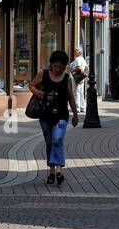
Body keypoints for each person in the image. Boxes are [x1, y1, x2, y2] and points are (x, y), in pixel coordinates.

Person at [30, 50, 79, 186]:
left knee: (57, 140)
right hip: (45, 115)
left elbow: (70, 97)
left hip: (61, 115)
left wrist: (75, 114)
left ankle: (58, 169)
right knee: (49, 143)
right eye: (56, 66)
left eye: (61, 67)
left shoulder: (66, 78)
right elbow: (31, 85)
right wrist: (38, 93)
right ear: (51, 64)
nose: (58, 69)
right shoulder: (43, 74)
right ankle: (51, 172)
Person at [68, 46, 89, 111]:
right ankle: (82, 107)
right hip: (81, 78)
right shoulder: (82, 59)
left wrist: (72, 70)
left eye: (76, 50)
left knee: (76, 92)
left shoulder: (77, 59)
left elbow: (79, 68)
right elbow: (87, 67)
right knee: (81, 92)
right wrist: (83, 72)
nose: (74, 51)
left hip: (76, 78)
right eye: (74, 50)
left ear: (79, 52)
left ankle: (77, 107)